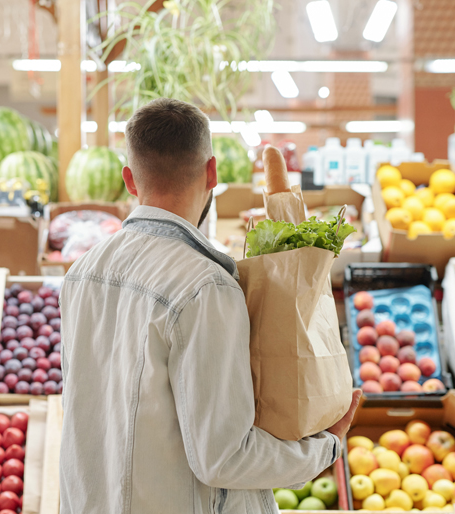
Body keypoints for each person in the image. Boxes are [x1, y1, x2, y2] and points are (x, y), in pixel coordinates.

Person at [59, 97, 361, 514]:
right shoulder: (205, 287)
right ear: (213, 173)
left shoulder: (80, 273)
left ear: (129, 179)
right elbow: (223, 457)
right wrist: (326, 447)